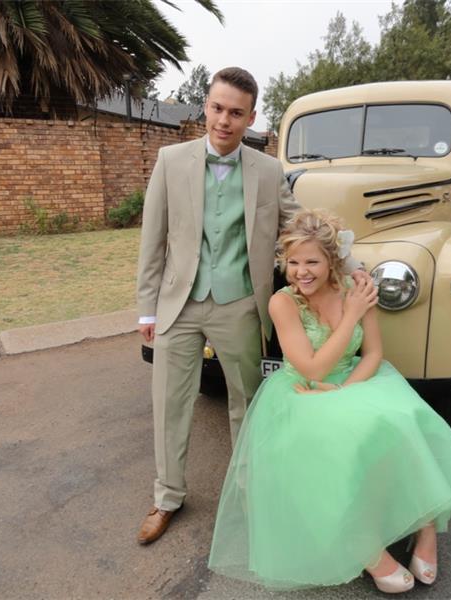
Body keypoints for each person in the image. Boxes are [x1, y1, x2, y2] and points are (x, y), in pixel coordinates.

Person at [135, 67, 367, 545]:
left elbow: (301, 226)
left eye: (236, 113)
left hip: (240, 304)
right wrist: (147, 309)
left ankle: (248, 490)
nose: (224, 120)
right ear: (206, 107)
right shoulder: (170, 160)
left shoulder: (267, 170)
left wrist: (353, 264)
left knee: (246, 403)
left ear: (251, 117)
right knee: (170, 404)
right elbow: (152, 239)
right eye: (217, 108)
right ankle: (167, 497)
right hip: (179, 304)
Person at [208, 209, 451, 594]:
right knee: (336, 445)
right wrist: (351, 316)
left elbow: (373, 353)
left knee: (407, 421)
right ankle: (367, 548)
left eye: (312, 262)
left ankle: (426, 529)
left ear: (331, 260)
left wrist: (346, 389)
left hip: (354, 380)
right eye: (293, 262)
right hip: (304, 391)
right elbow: (312, 368)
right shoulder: (283, 303)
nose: (301, 272)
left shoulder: (355, 288)